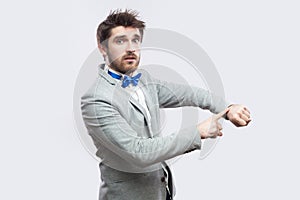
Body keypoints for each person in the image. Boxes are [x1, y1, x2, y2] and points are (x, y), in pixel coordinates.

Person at [81, 9, 251, 200]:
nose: (130, 48)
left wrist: (228, 109)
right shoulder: (96, 99)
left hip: (162, 193)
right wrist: (197, 132)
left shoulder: (144, 80)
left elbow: (190, 93)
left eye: (135, 40)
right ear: (102, 48)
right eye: (120, 41)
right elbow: (139, 152)